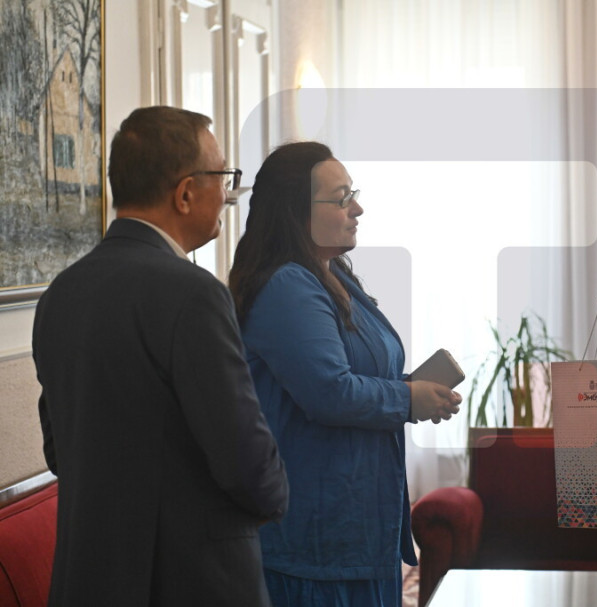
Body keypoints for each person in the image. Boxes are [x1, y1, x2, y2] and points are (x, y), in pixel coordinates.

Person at [32, 106, 289, 606]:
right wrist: (276, 498)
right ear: (186, 193)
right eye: (223, 176)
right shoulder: (194, 294)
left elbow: (58, 451)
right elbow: (245, 459)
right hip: (190, 580)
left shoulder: (59, 294)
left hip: (88, 578)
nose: (228, 192)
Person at [228, 141, 462, 606]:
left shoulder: (334, 274)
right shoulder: (287, 286)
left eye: (353, 194)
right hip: (318, 545)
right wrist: (407, 399)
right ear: (296, 211)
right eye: (341, 199)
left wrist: (413, 391)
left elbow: (357, 374)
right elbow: (329, 392)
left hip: (357, 531)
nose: (357, 208)